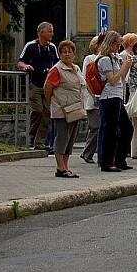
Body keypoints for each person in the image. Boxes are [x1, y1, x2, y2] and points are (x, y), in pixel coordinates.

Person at [43, 40, 86, 178]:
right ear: (59, 54)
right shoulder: (56, 69)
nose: (67, 54)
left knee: (70, 140)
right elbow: (47, 88)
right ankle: (60, 168)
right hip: (62, 110)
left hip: (75, 109)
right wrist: (52, 103)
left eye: (70, 51)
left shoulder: (76, 68)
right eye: (64, 52)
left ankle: (66, 166)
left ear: (74, 53)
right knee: (61, 138)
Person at [96, 31, 135, 172]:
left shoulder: (114, 58)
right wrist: (124, 66)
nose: (118, 48)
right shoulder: (104, 59)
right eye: (117, 45)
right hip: (108, 97)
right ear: (111, 44)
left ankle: (119, 158)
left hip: (117, 96)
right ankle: (107, 162)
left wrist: (126, 66)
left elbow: (120, 78)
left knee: (127, 128)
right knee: (110, 131)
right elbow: (112, 80)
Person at [17, 21, 59, 152]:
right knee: (37, 110)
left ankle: (39, 143)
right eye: (49, 31)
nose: (52, 33)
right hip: (35, 84)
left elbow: (57, 64)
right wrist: (25, 66)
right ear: (41, 32)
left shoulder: (52, 47)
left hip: (48, 85)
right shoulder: (30, 46)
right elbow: (20, 61)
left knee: (46, 114)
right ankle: (31, 136)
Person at [80, 35, 102, 163]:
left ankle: (88, 152)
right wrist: (93, 95)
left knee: (97, 127)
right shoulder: (90, 59)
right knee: (95, 126)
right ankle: (87, 152)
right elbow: (86, 78)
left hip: (103, 96)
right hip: (92, 98)